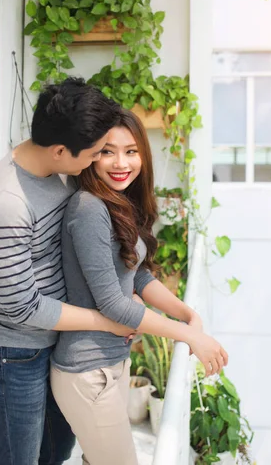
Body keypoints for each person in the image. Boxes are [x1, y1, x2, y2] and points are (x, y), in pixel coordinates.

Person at [0, 78, 134, 465]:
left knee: (54, 454)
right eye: (93, 153)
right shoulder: (4, 203)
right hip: (10, 355)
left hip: (54, 344)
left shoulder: (56, 170)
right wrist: (105, 320)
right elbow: (22, 308)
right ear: (60, 150)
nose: (96, 161)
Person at [50, 109, 228, 465]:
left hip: (113, 362)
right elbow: (114, 304)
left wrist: (186, 312)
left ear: (143, 154)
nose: (121, 162)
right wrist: (186, 334)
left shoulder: (120, 202)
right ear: (91, 154)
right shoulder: (88, 208)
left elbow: (139, 275)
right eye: (107, 150)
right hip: (88, 371)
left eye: (131, 151)